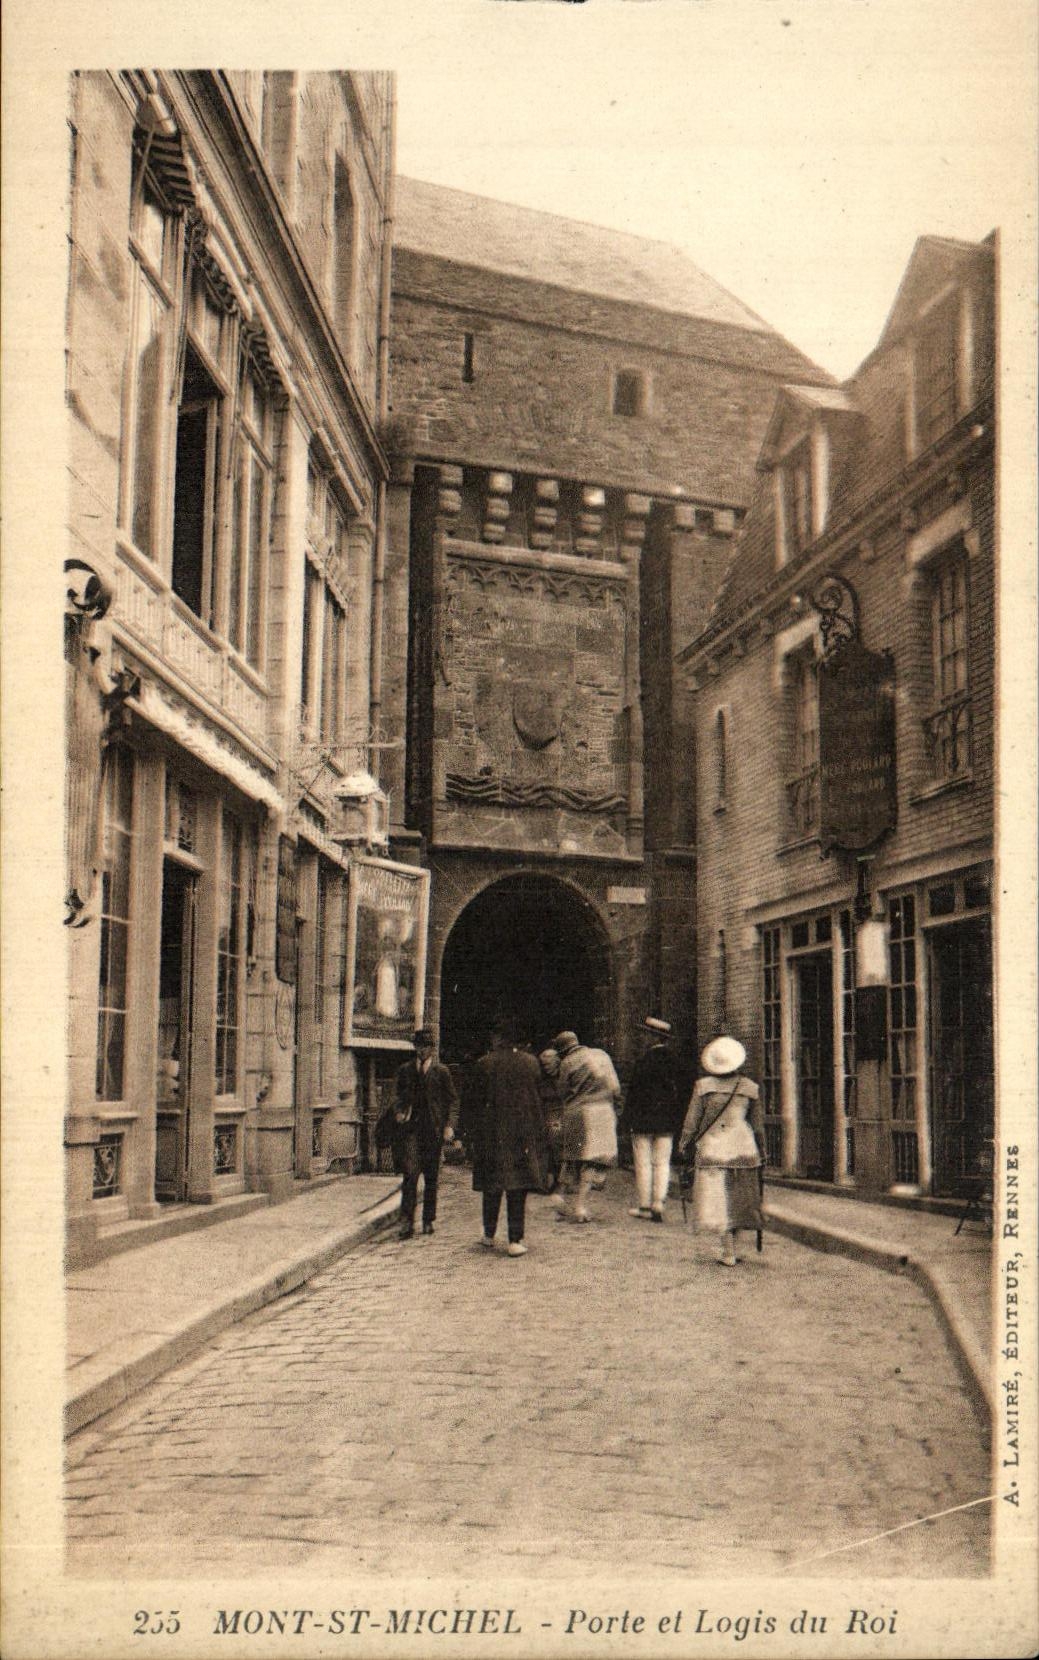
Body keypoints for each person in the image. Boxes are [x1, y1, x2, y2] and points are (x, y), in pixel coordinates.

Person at [676, 1035, 765, 1267]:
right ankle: (733, 1248)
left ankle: (728, 1250)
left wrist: (684, 1143)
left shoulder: (704, 1087)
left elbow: (691, 1122)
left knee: (719, 1202)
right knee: (738, 1200)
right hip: (743, 1150)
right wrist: (763, 1151)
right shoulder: (750, 1088)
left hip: (713, 1149)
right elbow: (757, 1126)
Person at [467, 1022, 548, 1256]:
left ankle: (488, 1235)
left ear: (498, 1038)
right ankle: (515, 1239)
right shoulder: (531, 1063)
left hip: (491, 1134)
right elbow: (537, 1098)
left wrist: (470, 1134)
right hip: (521, 1134)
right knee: (517, 1187)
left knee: (492, 1186)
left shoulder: (485, 1063)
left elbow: (473, 1103)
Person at [393, 1028, 459, 1240]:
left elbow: (453, 1101)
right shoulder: (405, 1070)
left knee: (431, 1178)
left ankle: (428, 1219)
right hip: (411, 1131)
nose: (423, 1051)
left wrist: (449, 1125)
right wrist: (399, 1113)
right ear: (415, 1047)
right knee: (410, 1176)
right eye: (420, 1046)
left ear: (432, 1049)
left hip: (433, 1131)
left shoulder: (441, 1072)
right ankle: (406, 1222)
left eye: (427, 1047)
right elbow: (398, 1098)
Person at [549, 1030, 621, 1223]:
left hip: (576, 1113)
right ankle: (580, 1206)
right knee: (594, 1161)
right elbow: (615, 1088)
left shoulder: (567, 1064)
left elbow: (562, 1091)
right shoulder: (601, 1055)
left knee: (572, 1157)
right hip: (602, 1112)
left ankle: (560, 1194)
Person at [623, 1016, 682, 1223]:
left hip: (643, 1120)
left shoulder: (643, 1061)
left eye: (645, 1034)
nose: (642, 1037)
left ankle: (645, 1205)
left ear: (652, 1037)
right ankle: (659, 1202)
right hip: (666, 1121)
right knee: (663, 1163)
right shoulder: (675, 1062)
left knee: (643, 1163)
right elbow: (680, 1094)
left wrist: (626, 1120)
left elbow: (633, 1094)